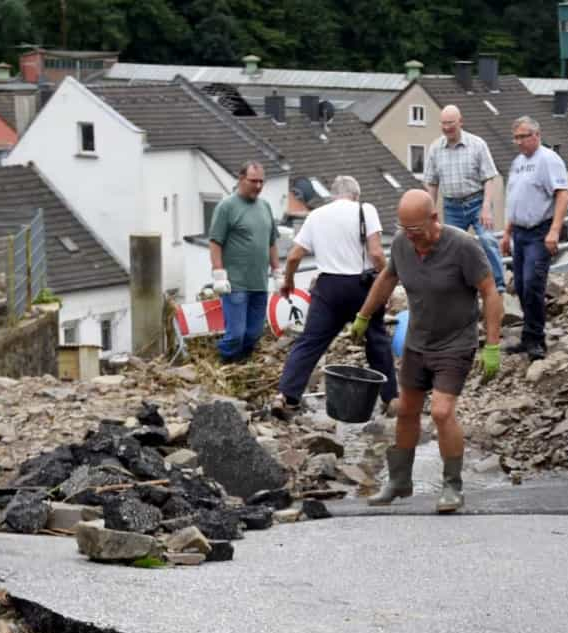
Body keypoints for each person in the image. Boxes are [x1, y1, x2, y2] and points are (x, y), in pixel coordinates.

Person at [349, 189, 502, 513]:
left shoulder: (462, 246)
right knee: (405, 409)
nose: (410, 237)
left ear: (435, 218)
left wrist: (493, 344)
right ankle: (400, 481)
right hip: (418, 341)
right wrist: (364, 315)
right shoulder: (404, 244)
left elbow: (490, 292)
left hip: (456, 342)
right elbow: (387, 278)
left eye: (416, 230)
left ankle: (452, 486)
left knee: (442, 412)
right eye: (405, 229)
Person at [275, 176, 395, 415]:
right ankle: (391, 398)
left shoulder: (316, 215)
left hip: (328, 287)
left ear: (332, 195)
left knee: (310, 342)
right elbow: (377, 253)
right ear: (356, 195)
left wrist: (288, 280)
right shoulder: (365, 209)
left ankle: (286, 396)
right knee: (377, 340)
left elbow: (294, 256)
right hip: (362, 286)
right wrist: (386, 284)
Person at [499, 116, 568, 360]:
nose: (519, 142)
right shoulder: (517, 163)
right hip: (519, 231)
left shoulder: (548, 160)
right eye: (516, 137)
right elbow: (514, 200)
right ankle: (527, 336)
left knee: (533, 284)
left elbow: (562, 194)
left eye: (523, 136)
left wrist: (554, 230)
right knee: (520, 285)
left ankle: (537, 339)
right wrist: (507, 233)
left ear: (536, 135)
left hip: (540, 231)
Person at [423, 105, 506, 292]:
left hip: (476, 202)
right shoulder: (435, 148)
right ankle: (458, 285)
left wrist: (486, 207)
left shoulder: (477, 144)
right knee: (452, 247)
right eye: (443, 124)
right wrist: (431, 210)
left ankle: (498, 285)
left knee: (487, 240)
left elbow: (489, 178)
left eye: (450, 123)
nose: (446, 128)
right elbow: (431, 183)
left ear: (460, 122)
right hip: (452, 205)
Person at [206, 161, 279, 363]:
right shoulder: (227, 207)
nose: (257, 186)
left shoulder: (265, 207)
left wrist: (278, 271)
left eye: (261, 182)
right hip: (236, 283)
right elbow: (215, 242)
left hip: (259, 282)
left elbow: (271, 241)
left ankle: (242, 364)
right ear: (241, 179)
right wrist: (219, 274)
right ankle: (222, 364)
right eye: (253, 181)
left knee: (254, 333)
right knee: (235, 334)